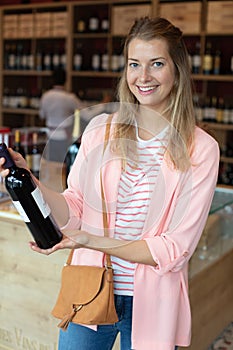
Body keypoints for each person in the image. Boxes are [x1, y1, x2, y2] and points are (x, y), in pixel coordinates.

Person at [0, 17, 219, 350]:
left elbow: (174, 250)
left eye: (156, 64)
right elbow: (74, 207)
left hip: (153, 303)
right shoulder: (100, 129)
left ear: (177, 71)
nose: (143, 77)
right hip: (89, 287)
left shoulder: (201, 149)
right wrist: (29, 181)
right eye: (134, 64)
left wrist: (91, 240)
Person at [39, 66, 85, 162]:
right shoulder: (70, 98)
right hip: (64, 137)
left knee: (51, 164)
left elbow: (42, 115)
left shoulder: (45, 96)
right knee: (63, 165)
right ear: (66, 80)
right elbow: (86, 112)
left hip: (49, 135)